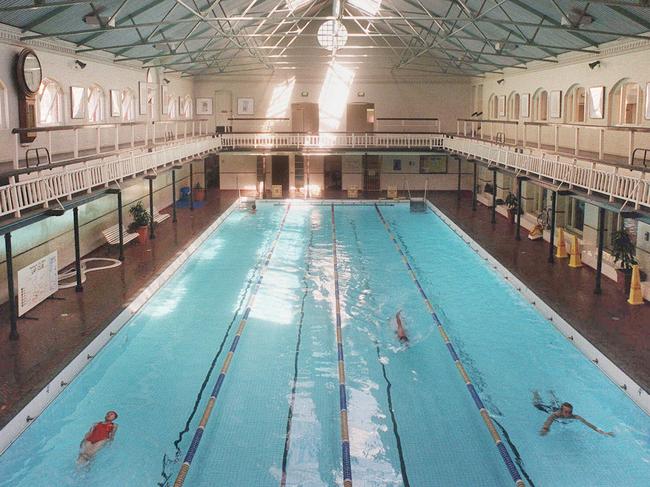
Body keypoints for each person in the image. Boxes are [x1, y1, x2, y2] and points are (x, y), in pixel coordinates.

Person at [538, 401, 614, 437]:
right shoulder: (555, 415)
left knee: (555, 402)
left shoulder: (574, 416)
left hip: (559, 409)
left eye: (570, 412)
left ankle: (552, 395)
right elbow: (549, 420)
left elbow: (587, 423)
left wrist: (603, 432)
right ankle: (536, 393)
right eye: (566, 412)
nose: (568, 414)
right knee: (537, 404)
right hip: (550, 410)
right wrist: (545, 429)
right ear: (561, 411)